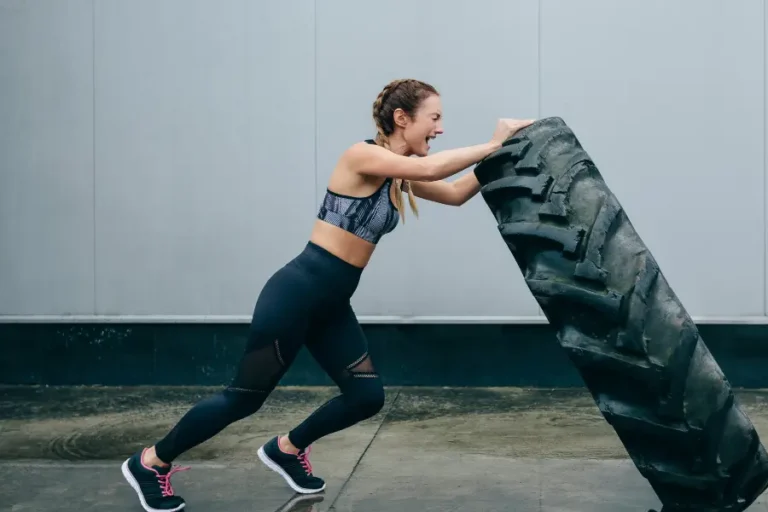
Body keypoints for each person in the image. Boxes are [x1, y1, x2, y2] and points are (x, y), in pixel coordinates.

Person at [120, 77, 534, 512]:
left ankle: (288, 448)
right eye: (434, 118)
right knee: (243, 398)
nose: (440, 128)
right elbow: (433, 169)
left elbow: (453, 193)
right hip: (296, 295)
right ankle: (151, 462)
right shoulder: (363, 157)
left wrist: (505, 153)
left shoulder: (396, 174)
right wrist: (492, 142)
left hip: (330, 307)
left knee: (366, 397)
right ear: (401, 119)